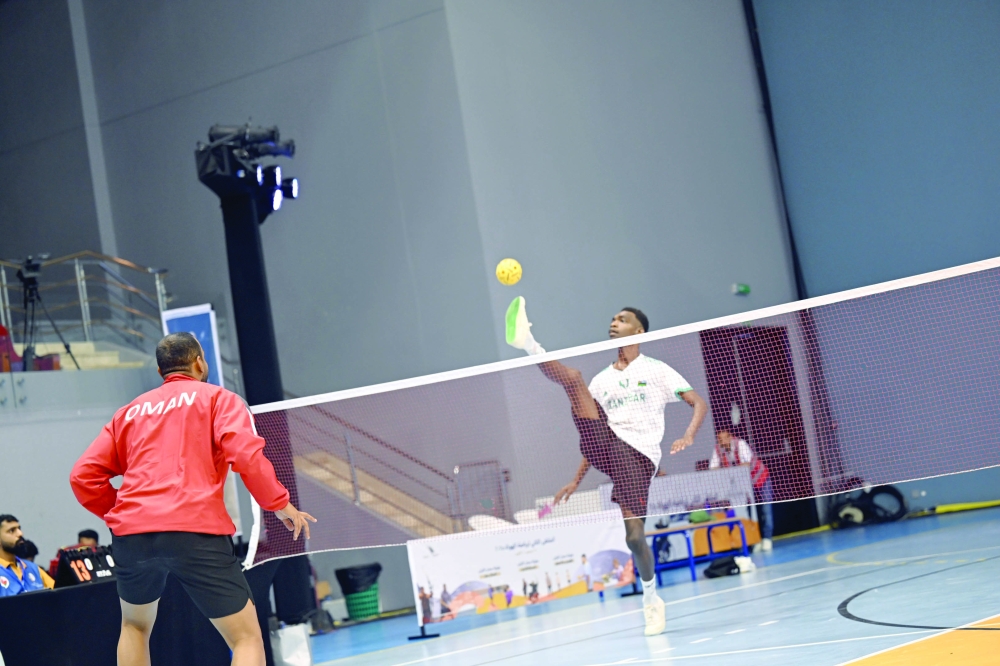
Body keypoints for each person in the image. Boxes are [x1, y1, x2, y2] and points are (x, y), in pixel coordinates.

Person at [70, 332, 316, 666]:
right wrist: (278, 503)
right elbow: (246, 457)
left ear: (161, 373)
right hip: (195, 531)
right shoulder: (220, 400)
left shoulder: (127, 413)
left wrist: (123, 513)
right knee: (245, 638)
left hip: (132, 536)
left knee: (134, 626)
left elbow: (83, 476)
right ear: (199, 362)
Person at [506, 298, 707, 636]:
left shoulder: (656, 369)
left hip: (639, 458)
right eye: (612, 318)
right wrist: (575, 480)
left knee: (633, 537)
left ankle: (651, 599)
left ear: (638, 330)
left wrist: (688, 435)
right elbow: (597, 429)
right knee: (574, 379)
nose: (614, 323)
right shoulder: (601, 381)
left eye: (622, 319)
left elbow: (697, 402)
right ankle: (528, 342)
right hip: (606, 446)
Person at [709, 430, 773, 552]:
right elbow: (713, 468)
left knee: (766, 509)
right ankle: (754, 540)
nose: (721, 442)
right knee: (747, 513)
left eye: (723, 439)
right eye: (719, 440)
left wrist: (728, 472)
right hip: (743, 486)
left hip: (760, 479)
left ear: (730, 437)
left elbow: (746, 464)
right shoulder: (718, 450)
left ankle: (767, 538)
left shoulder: (741, 444)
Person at [0, 515, 54, 595]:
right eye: (11, 531)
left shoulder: (33, 568)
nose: (20, 533)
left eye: (19, 529)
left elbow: (59, 593)